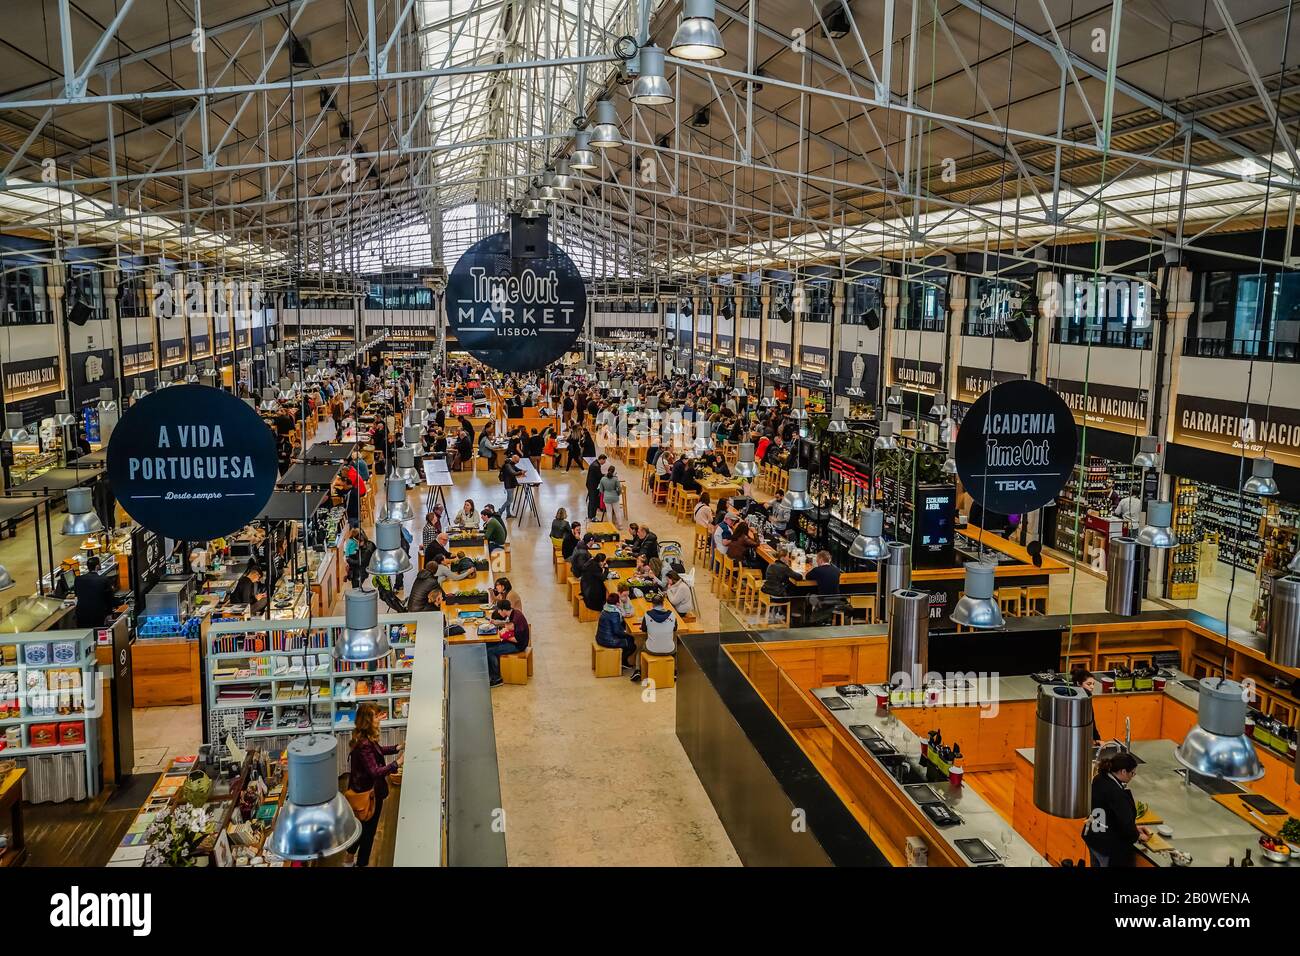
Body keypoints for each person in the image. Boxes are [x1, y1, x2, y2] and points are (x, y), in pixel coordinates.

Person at [345, 703, 403, 867]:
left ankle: (349, 858)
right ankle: (360, 863)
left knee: (362, 827)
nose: (380, 719)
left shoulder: (364, 738)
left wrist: (397, 747)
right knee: (368, 832)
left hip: (364, 791)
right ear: (368, 721)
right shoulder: (364, 745)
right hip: (368, 795)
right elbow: (375, 772)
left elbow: (378, 751)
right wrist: (397, 763)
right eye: (377, 717)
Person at [1082, 751, 1149, 867]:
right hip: (1106, 844)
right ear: (1123, 771)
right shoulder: (1116, 793)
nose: (1132, 776)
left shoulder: (1099, 778)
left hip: (1094, 835)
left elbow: (1110, 814)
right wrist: (1137, 835)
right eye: (1132, 773)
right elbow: (1125, 822)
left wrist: (1134, 828)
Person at [485, 599, 531, 687]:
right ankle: (491, 672)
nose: (498, 612)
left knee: (490, 651)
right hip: (515, 641)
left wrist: (503, 636)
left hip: (518, 645)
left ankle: (497, 678)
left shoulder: (516, 619)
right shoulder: (514, 613)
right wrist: (498, 625)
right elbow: (507, 624)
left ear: (503, 610)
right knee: (488, 644)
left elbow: (517, 640)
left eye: (499, 610)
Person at [595, 592, 638, 673]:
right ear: (617, 603)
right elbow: (617, 631)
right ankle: (621, 661)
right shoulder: (614, 613)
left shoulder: (605, 608)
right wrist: (627, 633)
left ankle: (623, 661)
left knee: (629, 639)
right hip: (609, 640)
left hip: (600, 636)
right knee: (632, 644)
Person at [73, 556, 118, 628]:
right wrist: (109, 613)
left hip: (82, 614)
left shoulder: (78, 579)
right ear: (97, 566)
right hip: (98, 614)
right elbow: (109, 598)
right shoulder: (104, 580)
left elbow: (77, 595)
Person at [1071, 665, 1103, 743]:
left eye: (1093, 684)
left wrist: (1097, 738)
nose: (1092, 687)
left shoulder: (1087, 698)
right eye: (1088, 684)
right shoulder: (1072, 700)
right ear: (1079, 683)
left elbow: (1091, 720)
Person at [498, 453, 523, 518]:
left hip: (510, 483)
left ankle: (508, 514)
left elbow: (516, 469)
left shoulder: (511, 463)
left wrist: (521, 471)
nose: (517, 463)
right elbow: (513, 473)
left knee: (509, 500)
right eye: (517, 461)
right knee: (510, 500)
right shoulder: (508, 465)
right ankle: (500, 512)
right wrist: (520, 472)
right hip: (509, 485)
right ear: (514, 459)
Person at [585, 453, 607, 521]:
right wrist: (605, 475)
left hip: (591, 484)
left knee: (593, 500)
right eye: (604, 461)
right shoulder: (596, 466)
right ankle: (591, 516)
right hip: (593, 486)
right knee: (592, 501)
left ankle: (592, 515)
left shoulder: (595, 463)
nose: (605, 462)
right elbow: (599, 476)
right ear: (601, 459)